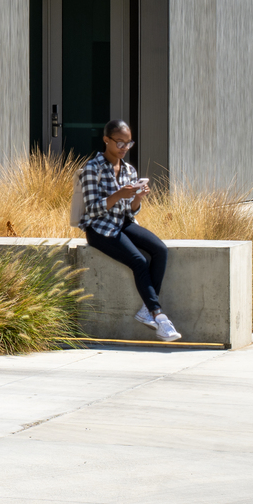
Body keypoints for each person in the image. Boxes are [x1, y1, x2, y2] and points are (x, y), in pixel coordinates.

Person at [73, 120, 182, 342]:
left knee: (160, 249)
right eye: (119, 142)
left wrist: (138, 198)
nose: (124, 147)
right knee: (139, 261)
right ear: (106, 140)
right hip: (100, 228)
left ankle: (146, 310)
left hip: (123, 222)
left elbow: (130, 210)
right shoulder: (92, 169)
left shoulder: (129, 170)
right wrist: (117, 196)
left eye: (128, 143)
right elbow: (92, 210)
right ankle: (158, 316)